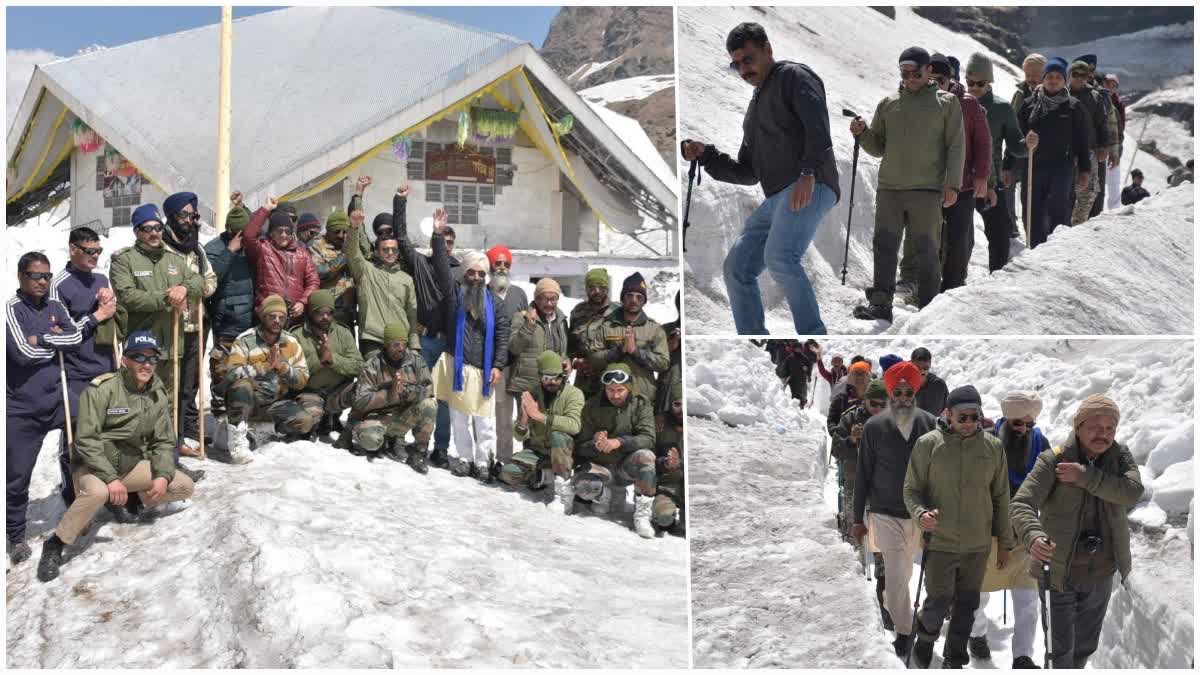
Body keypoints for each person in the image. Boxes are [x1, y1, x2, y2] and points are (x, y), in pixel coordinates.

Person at [680, 21, 840, 335]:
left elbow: (818, 128)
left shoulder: (794, 76)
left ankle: (814, 336)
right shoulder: (754, 110)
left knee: (780, 258)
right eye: (736, 64)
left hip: (812, 182)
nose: (743, 69)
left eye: (748, 59)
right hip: (777, 196)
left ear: (768, 49)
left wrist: (808, 172)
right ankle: (752, 339)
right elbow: (748, 172)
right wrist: (706, 155)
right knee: (736, 268)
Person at [34, 331, 195, 582]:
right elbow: (86, 440)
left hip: (129, 464)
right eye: (139, 357)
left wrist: (162, 475)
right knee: (98, 493)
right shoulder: (102, 390)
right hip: (92, 466)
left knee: (183, 485)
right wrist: (110, 479)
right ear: (124, 360)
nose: (146, 364)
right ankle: (56, 544)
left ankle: (131, 500)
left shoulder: (157, 393)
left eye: (152, 358)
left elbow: (163, 440)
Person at [1010, 395, 1143, 669]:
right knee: (1059, 652)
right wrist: (1033, 535)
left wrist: (1085, 477)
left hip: (1101, 573)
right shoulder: (1053, 460)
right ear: (1078, 426)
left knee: (1084, 647)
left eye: (1110, 428)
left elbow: (1132, 493)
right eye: (1095, 427)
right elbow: (1021, 503)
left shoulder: (1120, 457)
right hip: (1058, 573)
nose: (1103, 434)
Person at [851, 46, 965, 322]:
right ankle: (881, 304)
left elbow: (956, 146)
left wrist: (953, 185)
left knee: (927, 249)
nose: (910, 78)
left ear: (929, 71)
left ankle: (928, 308)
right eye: (905, 73)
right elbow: (878, 147)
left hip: (926, 189)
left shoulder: (947, 103)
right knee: (884, 245)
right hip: (890, 188)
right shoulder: (888, 103)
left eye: (916, 73)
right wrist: (863, 134)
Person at [904, 385, 1013, 668]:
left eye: (974, 417)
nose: (968, 423)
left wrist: (1005, 542)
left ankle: (954, 658)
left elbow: (1001, 497)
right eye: (962, 417)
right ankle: (925, 639)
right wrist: (920, 514)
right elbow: (911, 489)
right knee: (938, 602)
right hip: (941, 541)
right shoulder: (928, 444)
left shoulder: (993, 447)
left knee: (967, 604)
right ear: (948, 414)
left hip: (978, 543)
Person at [110, 204, 205, 481]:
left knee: (169, 407)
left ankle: (169, 463)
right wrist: (166, 297)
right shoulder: (124, 260)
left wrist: (184, 288)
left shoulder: (173, 259)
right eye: (146, 229)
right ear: (136, 232)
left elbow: (199, 281)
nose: (154, 233)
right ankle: (138, 466)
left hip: (172, 345)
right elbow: (127, 296)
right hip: (142, 349)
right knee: (141, 407)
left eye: (157, 228)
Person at [851, 361, 937, 658]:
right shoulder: (874, 427)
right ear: (890, 393)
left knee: (912, 575)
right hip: (884, 512)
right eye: (897, 393)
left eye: (908, 392)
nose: (902, 398)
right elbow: (863, 473)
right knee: (897, 577)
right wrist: (857, 518)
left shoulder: (930, 424)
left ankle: (910, 619)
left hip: (920, 515)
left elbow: (939, 473)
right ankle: (904, 631)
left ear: (915, 393)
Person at [7, 252, 82, 565]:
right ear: (21, 276)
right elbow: (23, 352)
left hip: (58, 399)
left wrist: (43, 339)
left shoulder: (55, 305)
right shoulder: (11, 310)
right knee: (17, 475)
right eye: (35, 275)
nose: (42, 281)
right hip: (23, 408)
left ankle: (79, 504)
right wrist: (55, 341)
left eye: (47, 276)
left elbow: (75, 336)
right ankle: (15, 535)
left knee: (83, 445)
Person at [898, 53, 990, 296]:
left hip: (963, 184)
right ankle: (919, 287)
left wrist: (982, 176)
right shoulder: (918, 100)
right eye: (932, 78)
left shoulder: (968, 104)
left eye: (942, 79)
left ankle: (953, 287)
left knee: (958, 240)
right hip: (927, 184)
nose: (937, 84)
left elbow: (982, 142)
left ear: (951, 80)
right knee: (924, 235)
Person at [971, 391, 1049, 669]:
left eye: (1029, 424)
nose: (1024, 429)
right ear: (1006, 419)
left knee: (1027, 600)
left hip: (1023, 535)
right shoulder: (986, 442)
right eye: (1018, 424)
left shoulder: (1040, 443)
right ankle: (976, 634)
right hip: (989, 533)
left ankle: (1022, 657)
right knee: (979, 595)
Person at [386, 182, 460, 467]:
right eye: (442, 239)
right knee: (415, 391)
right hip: (425, 340)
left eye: (450, 241)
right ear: (434, 239)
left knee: (444, 399)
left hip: (449, 344)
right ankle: (408, 440)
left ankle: (440, 448)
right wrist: (400, 201)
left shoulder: (460, 272)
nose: (446, 245)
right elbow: (402, 237)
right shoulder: (420, 264)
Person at [431, 219, 511, 480]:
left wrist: (498, 366)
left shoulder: (495, 304)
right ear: (463, 274)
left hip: (484, 370)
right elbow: (441, 267)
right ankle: (465, 458)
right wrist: (437, 235)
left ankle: (483, 462)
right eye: (471, 272)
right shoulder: (454, 297)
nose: (476, 277)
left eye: (481, 274)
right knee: (459, 418)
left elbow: (502, 336)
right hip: (458, 367)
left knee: (484, 421)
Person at [50, 228, 119, 509]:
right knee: (78, 434)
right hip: (76, 371)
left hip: (106, 365)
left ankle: (111, 491)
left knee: (109, 433)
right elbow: (62, 334)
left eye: (98, 251)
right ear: (73, 249)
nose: (95, 256)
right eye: (89, 251)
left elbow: (111, 316)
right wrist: (97, 315)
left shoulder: (101, 279)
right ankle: (74, 494)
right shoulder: (59, 285)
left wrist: (110, 303)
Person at [161, 192, 219, 456]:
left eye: (193, 215)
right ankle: (164, 442)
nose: (189, 220)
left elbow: (210, 279)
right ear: (172, 216)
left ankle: (180, 438)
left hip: (195, 325)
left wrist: (195, 290)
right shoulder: (161, 247)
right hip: (169, 325)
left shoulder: (197, 248)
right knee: (168, 386)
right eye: (184, 214)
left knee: (187, 386)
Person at [222, 295, 311, 463]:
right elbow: (231, 374)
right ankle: (237, 439)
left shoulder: (291, 342)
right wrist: (262, 367)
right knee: (241, 386)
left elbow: (302, 379)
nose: (277, 321)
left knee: (304, 422)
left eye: (281, 317)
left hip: (274, 403)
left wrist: (282, 367)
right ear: (263, 317)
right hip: (249, 401)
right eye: (272, 317)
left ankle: (265, 429)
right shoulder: (245, 340)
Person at [573, 363, 658, 538]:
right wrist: (594, 443)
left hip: (625, 466)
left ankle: (642, 515)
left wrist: (619, 442)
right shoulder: (592, 406)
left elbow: (649, 438)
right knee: (582, 487)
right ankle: (605, 494)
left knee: (647, 456)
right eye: (610, 390)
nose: (615, 395)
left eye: (620, 390)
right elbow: (580, 446)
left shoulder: (640, 404)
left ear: (629, 388)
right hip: (602, 468)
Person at [1017, 57, 1091, 249]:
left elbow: (1082, 141)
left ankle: (1057, 250)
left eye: (1058, 77)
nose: (1053, 80)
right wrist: (1010, 164)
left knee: (1059, 208)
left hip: (1062, 167)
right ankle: (1035, 249)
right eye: (1050, 76)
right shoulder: (1029, 105)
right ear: (1043, 78)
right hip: (1034, 166)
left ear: (1064, 80)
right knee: (1032, 211)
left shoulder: (1074, 107)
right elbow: (1016, 136)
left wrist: (1084, 170)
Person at [499, 350, 585, 512]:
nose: (551, 382)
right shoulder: (532, 394)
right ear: (540, 377)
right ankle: (546, 476)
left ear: (562, 376)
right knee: (508, 473)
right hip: (538, 451)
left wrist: (540, 417)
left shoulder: (574, 394)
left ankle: (563, 494)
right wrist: (524, 419)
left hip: (564, 453)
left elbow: (575, 425)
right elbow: (519, 436)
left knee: (558, 436)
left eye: (555, 378)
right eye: (546, 378)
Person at [347, 322, 437, 472]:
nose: (401, 348)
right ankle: (382, 441)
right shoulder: (372, 365)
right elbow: (360, 401)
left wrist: (405, 392)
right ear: (386, 346)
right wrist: (389, 394)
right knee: (370, 441)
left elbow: (428, 388)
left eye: (404, 344)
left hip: (402, 417)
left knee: (429, 404)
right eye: (396, 345)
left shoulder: (415, 361)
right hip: (378, 417)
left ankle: (418, 452)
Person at [965, 52, 1026, 272]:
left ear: (989, 82)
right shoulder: (956, 104)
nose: (974, 88)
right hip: (961, 180)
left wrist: (1027, 145)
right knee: (959, 237)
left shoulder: (1002, 108)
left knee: (999, 234)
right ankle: (953, 281)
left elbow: (1015, 144)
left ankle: (997, 276)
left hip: (991, 180)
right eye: (970, 82)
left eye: (979, 83)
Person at [345, 187, 420, 357]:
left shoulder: (406, 278)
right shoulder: (366, 271)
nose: (390, 253)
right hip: (373, 340)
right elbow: (352, 252)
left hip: (400, 342)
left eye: (394, 250)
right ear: (377, 252)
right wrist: (354, 228)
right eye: (385, 250)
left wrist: (414, 344)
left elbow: (412, 313)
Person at [504, 278, 569, 465]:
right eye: (544, 298)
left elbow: (563, 350)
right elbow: (514, 347)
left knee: (550, 424)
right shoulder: (522, 317)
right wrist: (529, 325)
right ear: (536, 298)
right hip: (528, 383)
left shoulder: (561, 319)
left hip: (553, 383)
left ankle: (549, 464)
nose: (549, 303)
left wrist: (566, 361)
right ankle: (530, 466)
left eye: (553, 299)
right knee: (528, 427)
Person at [204, 197, 256, 421]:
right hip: (226, 322)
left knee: (249, 373)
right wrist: (230, 252)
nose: (241, 236)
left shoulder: (254, 245)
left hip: (251, 321)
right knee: (222, 371)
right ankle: (220, 414)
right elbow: (210, 281)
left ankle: (244, 416)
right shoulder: (213, 249)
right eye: (236, 231)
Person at [585, 272, 670, 404]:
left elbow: (663, 363)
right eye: (629, 295)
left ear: (644, 301)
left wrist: (636, 351)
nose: (634, 300)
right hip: (612, 396)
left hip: (642, 398)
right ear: (622, 298)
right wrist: (618, 351)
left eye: (639, 297)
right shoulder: (607, 326)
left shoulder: (655, 329)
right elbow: (593, 359)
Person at [292, 290, 363, 441]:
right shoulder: (297, 335)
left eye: (329, 313)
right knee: (308, 422)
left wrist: (332, 360)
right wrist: (319, 359)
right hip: (311, 393)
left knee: (364, 389)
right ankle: (319, 421)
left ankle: (349, 428)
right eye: (320, 313)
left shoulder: (343, 333)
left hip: (337, 393)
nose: (325, 317)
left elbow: (358, 366)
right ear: (311, 313)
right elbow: (294, 374)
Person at [242, 196, 320, 325]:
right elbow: (248, 235)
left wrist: (303, 302)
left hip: (294, 317)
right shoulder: (263, 249)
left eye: (287, 231)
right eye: (279, 231)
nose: (284, 235)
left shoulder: (302, 254)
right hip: (268, 315)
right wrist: (266, 209)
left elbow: (313, 281)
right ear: (272, 232)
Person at [830, 378, 886, 546]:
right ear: (865, 400)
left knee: (881, 533)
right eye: (873, 403)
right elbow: (836, 450)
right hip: (854, 481)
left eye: (883, 405)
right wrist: (852, 440)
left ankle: (879, 560)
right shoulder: (850, 418)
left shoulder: (893, 420)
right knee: (854, 530)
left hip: (883, 484)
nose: (878, 409)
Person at [488, 245, 530, 468]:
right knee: (493, 416)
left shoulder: (519, 294)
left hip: (516, 365)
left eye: (506, 264)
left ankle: (514, 460)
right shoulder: (483, 292)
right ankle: (492, 459)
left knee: (515, 415)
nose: (502, 267)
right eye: (498, 263)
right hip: (492, 365)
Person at [1066, 60, 1113, 226]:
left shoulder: (1095, 97)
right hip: (1065, 151)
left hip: (1089, 150)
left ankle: (1078, 223)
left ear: (1088, 77)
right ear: (1069, 75)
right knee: (1067, 189)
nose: (1079, 78)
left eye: (1083, 75)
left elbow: (1102, 124)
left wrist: (1104, 146)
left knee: (1089, 190)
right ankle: (1063, 225)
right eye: (1075, 74)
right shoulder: (1061, 94)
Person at [1010, 53, 1047, 238]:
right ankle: (1011, 225)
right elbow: (1010, 123)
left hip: (1042, 155)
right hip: (1020, 148)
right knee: (1006, 183)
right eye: (1028, 74)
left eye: (1036, 74)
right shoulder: (1019, 94)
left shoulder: (1053, 95)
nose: (1031, 78)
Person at [568, 267, 618, 399]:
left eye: (601, 287)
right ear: (586, 289)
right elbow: (570, 345)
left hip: (612, 382)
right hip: (583, 382)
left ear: (607, 288)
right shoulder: (578, 312)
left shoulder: (618, 312)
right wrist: (575, 361)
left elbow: (624, 348)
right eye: (592, 287)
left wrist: (596, 363)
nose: (597, 291)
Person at [307, 208, 357, 329]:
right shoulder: (316, 245)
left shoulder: (351, 244)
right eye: (337, 231)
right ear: (328, 230)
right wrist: (344, 256)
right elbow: (319, 274)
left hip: (348, 311)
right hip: (326, 312)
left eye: (344, 232)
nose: (341, 235)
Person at [653, 369, 685, 535]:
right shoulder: (660, 424)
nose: (681, 409)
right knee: (664, 519)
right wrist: (664, 463)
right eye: (677, 404)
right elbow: (649, 455)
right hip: (668, 486)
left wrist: (681, 463)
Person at [826, 360, 872, 439]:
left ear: (869, 378)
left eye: (863, 373)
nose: (859, 377)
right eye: (856, 373)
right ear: (849, 378)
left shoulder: (875, 400)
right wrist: (843, 436)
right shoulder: (840, 399)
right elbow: (831, 422)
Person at [1103, 74, 1127, 211]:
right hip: (1099, 146)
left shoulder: (1119, 104)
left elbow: (1121, 127)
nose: (1110, 87)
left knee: (1114, 180)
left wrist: (1117, 148)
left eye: (1114, 85)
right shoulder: (1098, 98)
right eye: (1108, 84)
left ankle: (1114, 209)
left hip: (1115, 146)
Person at [910, 347, 949, 417]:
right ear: (911, 364)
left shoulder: (939, 385)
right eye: (917, 367)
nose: (921, 371)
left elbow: (948, 409)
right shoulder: (904, 387)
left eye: (925, 367)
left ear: (930, 365)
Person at [779, 339, 818, 407]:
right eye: (796, 348)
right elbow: (785, 368)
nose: (798, 350)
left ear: (801, 349)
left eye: (799, 348)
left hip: (802, 379)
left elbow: (809, 367)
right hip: (792, 379)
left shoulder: (804, 358)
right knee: (794, 395)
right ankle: (796, 408)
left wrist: (808, 373)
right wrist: (784, 376)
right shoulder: (790, 358)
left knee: (802, 394)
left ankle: (802, 406)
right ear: (794, 349)